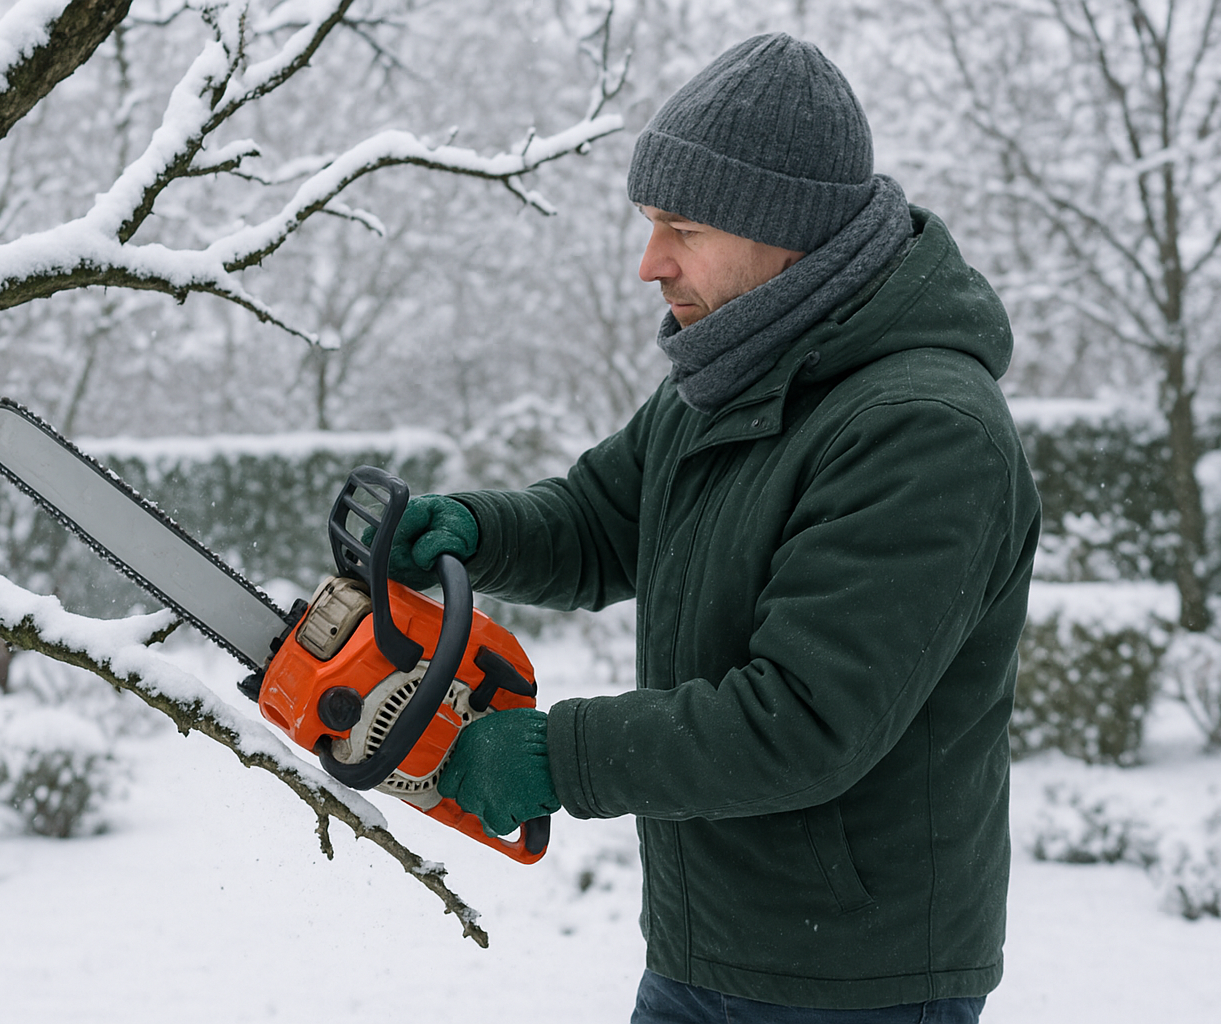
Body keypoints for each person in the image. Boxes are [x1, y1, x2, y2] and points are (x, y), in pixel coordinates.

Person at [384, 33, 1041, 1024]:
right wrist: (472, 529)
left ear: (787, 233)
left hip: (852, 982)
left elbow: (804, 720)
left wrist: (558, 755)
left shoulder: (922, 431)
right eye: (651, 224)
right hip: (710, 949)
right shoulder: (725, 374)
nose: (651, 262)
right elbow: (602, 521)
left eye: (681, 227)